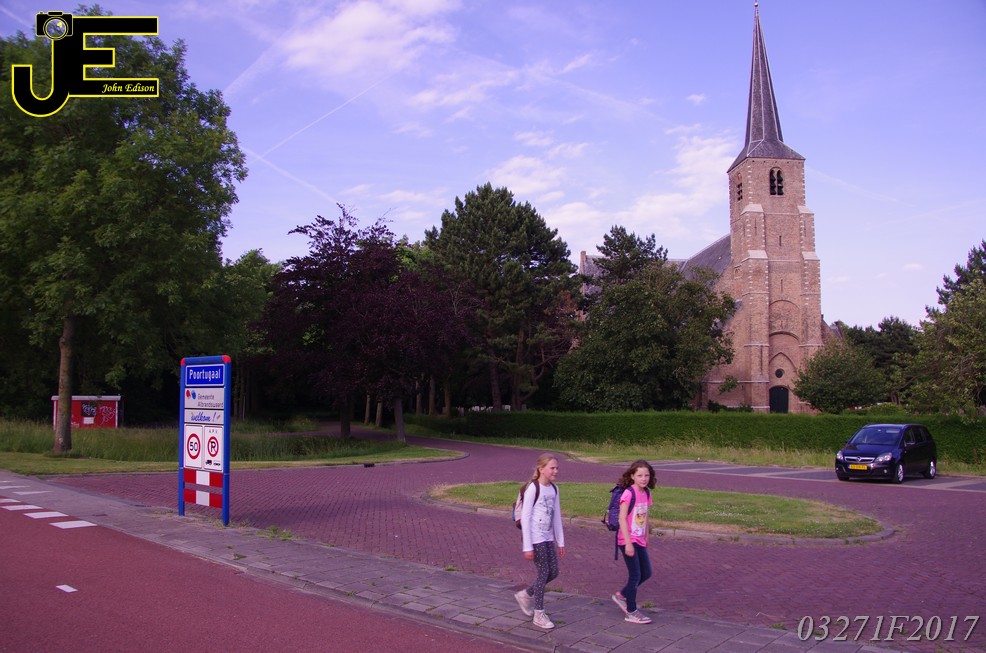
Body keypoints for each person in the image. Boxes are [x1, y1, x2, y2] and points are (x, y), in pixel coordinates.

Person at [514, 453, 565, 629]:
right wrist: (527, 546)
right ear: (541, 469)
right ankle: (539, 614)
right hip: (535, 538)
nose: (555, 471)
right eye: (552, 468)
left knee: (554, 572)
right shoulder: (533, 488)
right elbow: (526, 518)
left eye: (557, 468)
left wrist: (560, 541)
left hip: (548, 537)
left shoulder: (554, 489)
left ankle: (525, 594)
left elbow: (557, 516)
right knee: (544, 572)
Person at [611, 459, 655, 624]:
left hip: (640, 539)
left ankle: (622, 595)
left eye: (646, 475)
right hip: (627, 540)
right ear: (632, 476)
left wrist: (646, 535)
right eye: (640, 475)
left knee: (646, 573)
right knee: (635, 574)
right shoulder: (629, 493)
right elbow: (622, 519)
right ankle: (631, 611)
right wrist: (628, 543)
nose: (644, 479)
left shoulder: (646, 493)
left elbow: (646, 516)